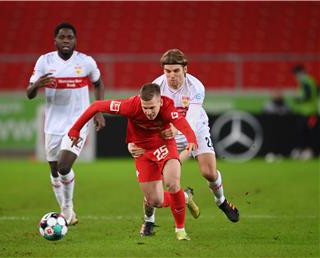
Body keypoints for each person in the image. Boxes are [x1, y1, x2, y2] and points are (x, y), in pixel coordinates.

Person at [128, 49, 240, 236]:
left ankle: (220, 201)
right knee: (155, 181)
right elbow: (144, 115)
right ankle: (149, 221)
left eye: (176, 71)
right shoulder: (157, 86)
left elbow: (192, 118)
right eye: (168, 71)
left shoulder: (196, 87)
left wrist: (178, 135)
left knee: (209, 172)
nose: (171, 75)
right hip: (165, 134)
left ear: (185, 69)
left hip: (194, 129)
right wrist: (133, 141)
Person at [68, 83, 198, 240]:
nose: (148, 112)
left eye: (152, 108)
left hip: (165, 146)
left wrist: (191, 138)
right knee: (154, 201)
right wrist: (75, 129)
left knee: (172, 183)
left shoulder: (168, 106)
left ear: (160, 102)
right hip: (142, 152)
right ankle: (184, 197)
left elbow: (182, 123)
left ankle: (180, 231)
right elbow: (96, 106)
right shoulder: (130, 106)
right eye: (145, 107)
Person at [26, 22, 106, 225]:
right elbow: (29, 93)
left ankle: (68, 208)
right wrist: (36, 85)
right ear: (55, 40)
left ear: (75, 40)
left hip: (78, 122)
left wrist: (98, 111)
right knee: (54, 170)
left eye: (70, 37)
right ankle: (66, 211)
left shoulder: (86, 62)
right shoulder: (45, 62)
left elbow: (97, 83)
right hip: (53, 124)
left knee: (63, 166)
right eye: (62, 37)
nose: (66, 41)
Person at [290, 64, 319, 160]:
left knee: (308, 132)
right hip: (307, 112)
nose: (295, 78)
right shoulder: (310, 80)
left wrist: (298, 100)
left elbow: (309, 96)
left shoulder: (305, 81)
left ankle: (309, 151)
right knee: (306, 132)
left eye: (295, 75)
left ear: (299, 73)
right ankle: (306, 150)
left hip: (310, 112)